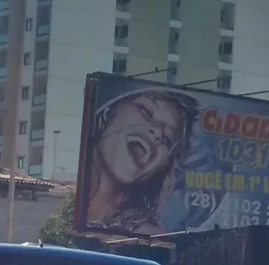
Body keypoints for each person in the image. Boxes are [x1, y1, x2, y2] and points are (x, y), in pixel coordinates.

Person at [78, 85, 197, 235]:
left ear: (162, 167)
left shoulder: (148, 236)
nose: (158, 133)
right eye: (146, 112)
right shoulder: (68, 213)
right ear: (109, 112)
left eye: (167, 139)